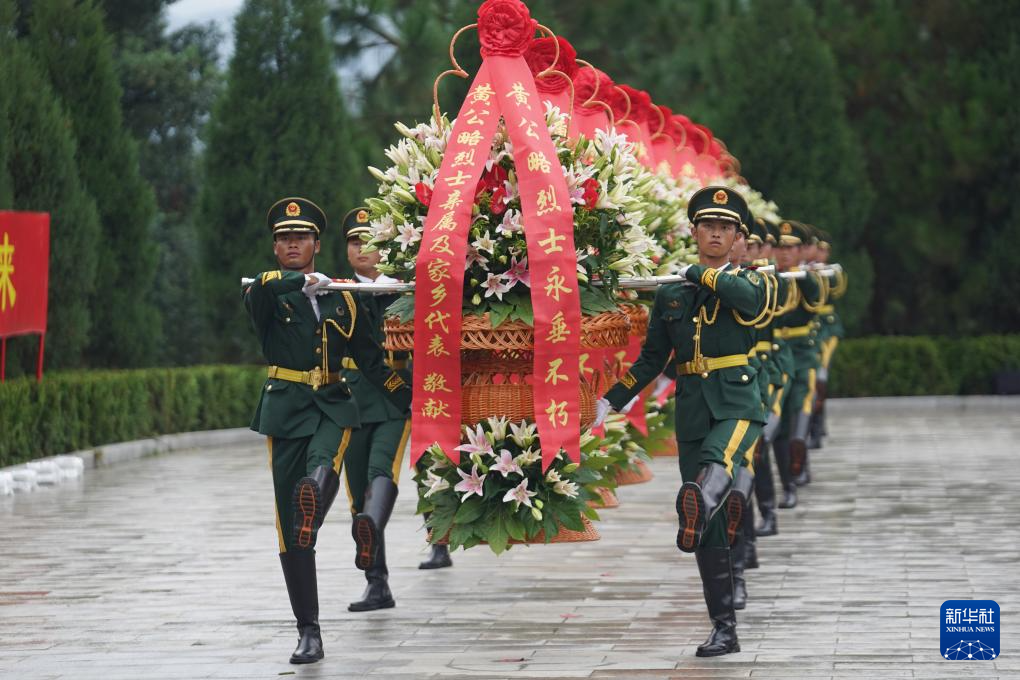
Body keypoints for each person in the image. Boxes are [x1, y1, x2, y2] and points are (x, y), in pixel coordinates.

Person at [595, 186, 768, 657]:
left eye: (725, 228)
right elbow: (652, 359)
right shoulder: (672, 292)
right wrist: (612, 399)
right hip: (692, 407)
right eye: (708, 225)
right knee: (707, 529)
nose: (716, 233)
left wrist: (697, 273)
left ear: (737, 237)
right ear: (694, 231)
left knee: (717, 463)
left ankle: (699, 500)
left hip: (737, 403)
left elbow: (746, 301)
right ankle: (724, 629)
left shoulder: (752, 281)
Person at [243, 197, 411, 664]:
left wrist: (409, 398)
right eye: (284, 238)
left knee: (323, 464)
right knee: (293, 533)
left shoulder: (344, 299)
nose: (292, 244)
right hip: (285, 409)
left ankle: (314, 492)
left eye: (301, 237)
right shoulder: (265, 292)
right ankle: (309, 631)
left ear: (317, 244)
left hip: (334, 404)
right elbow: (263, 291)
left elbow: (373, 364)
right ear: (275, 247)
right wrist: (303, 283)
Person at [338, 208, 429, 614]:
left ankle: (372, 530)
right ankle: (377, 583)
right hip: (351, 400)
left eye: (370, 241)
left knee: (381, 471)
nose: (362, 248)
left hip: (394, 397)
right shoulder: (337, 291)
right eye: (354, 242)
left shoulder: (406, 290)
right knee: (357, 491)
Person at [771, 220, 826, 506]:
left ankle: (800, 457)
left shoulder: (806, 279)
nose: (784, 253)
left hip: (801, 352)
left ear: (801, 250)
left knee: (800, 406)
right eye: (780, 247)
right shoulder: (768, 277)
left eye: (791, 248)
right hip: (775, 355)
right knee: (779, 423)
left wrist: (801, 275)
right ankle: (788, 485)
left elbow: (815, 301)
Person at [808, 230, 845, 449]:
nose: (818, 253)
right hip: (808, 331)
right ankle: (812, 426)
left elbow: (836, 287)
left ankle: (817, 426)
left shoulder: (830, 273)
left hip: (826, 329)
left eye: (822, 250)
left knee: (820, 378)